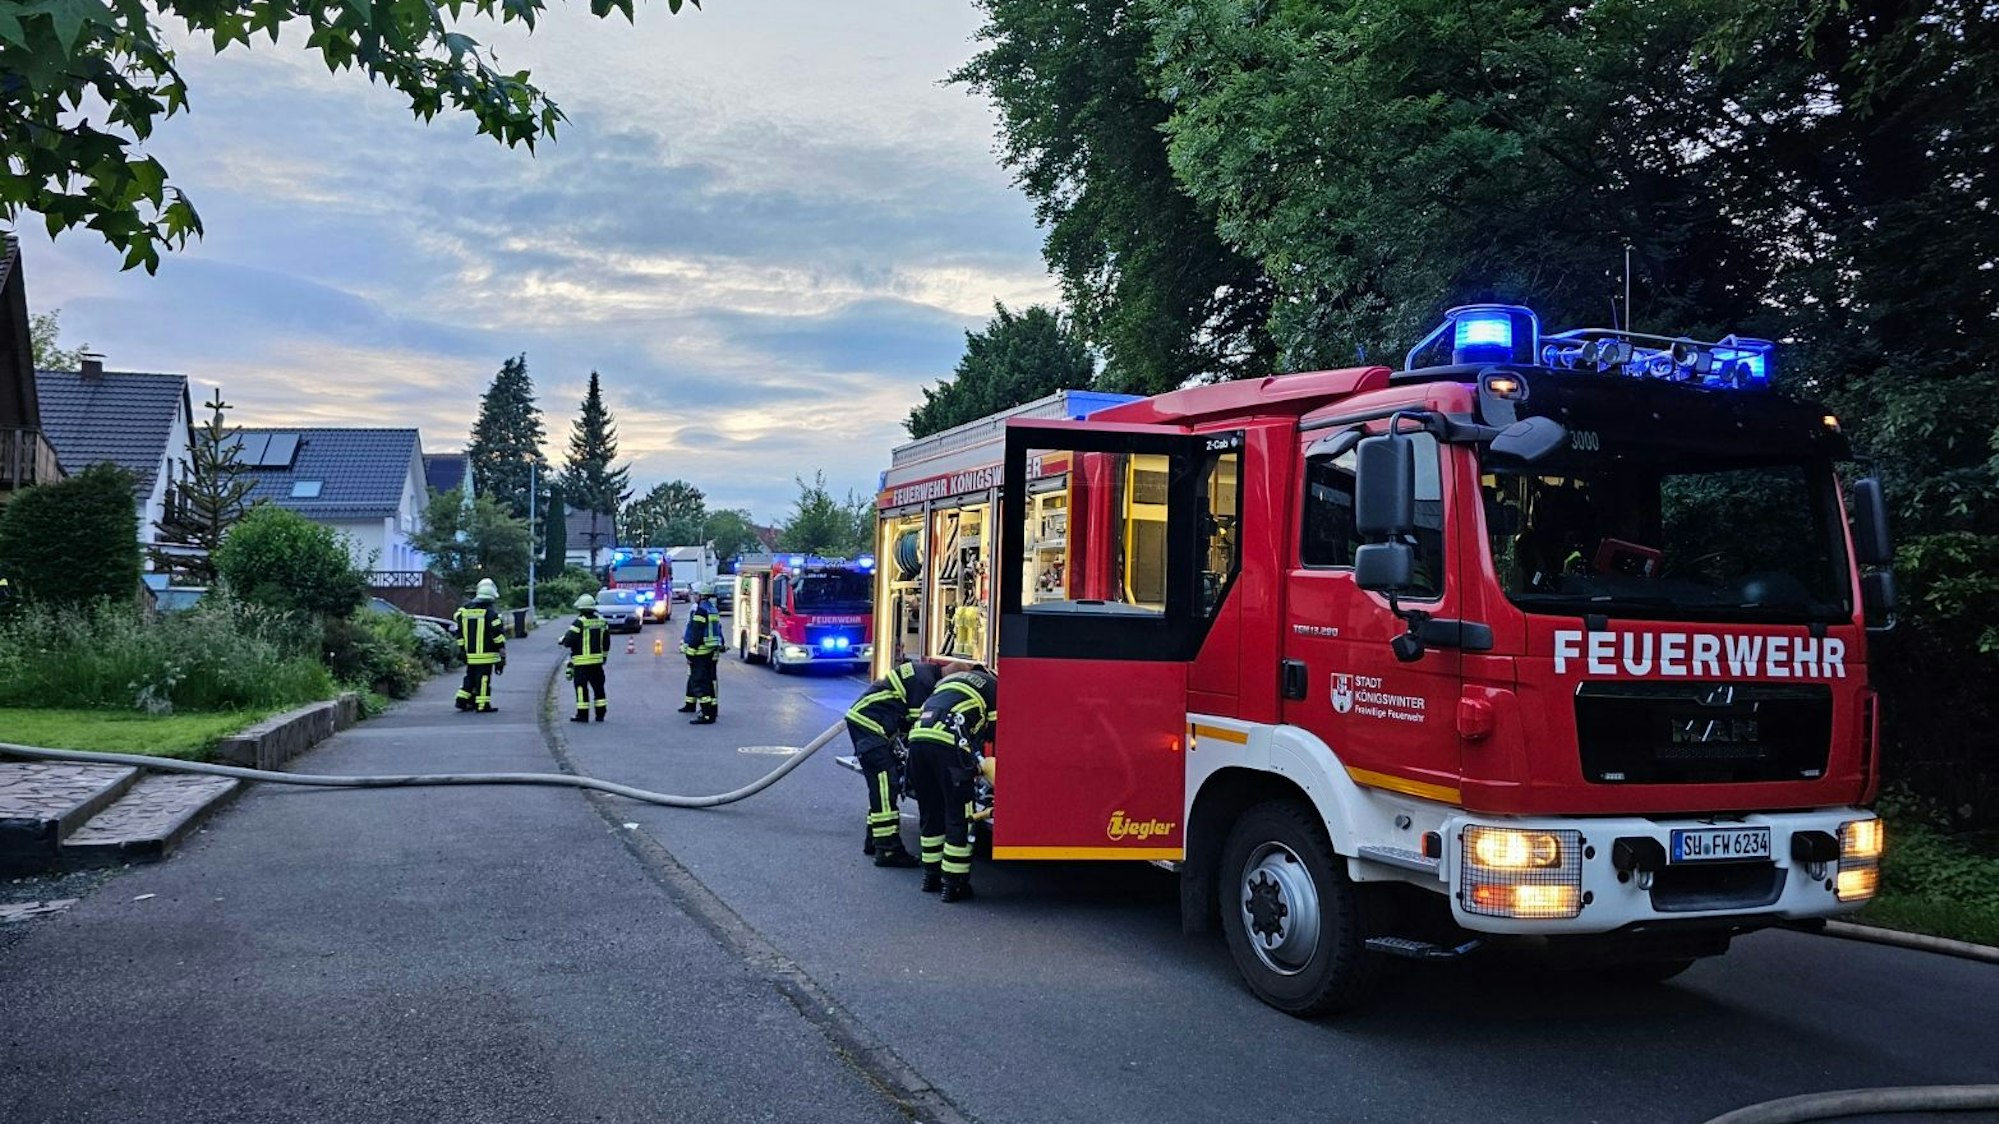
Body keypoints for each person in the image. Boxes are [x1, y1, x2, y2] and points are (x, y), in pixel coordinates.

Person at [844, 657, 950, 868]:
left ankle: (873, 840)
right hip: (871, 727)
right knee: (886, 784)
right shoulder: (925, 682)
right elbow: (918, 724)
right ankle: (888, 849)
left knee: (881, 787)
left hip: (869, 724)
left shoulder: (924, 672)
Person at [906, 664, 998, 902]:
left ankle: (931, 876)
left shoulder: (948, 683)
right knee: (960, 815)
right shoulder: (994, 687)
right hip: (949, 746)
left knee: (931, 812)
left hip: (917, 743)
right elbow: (996, 733)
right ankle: (954, 884)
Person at [453, 578, 507, 713]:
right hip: (486, 655)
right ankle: (482, 704)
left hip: (470, 654)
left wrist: (462, 649)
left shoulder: (465, 611)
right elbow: (498, 635)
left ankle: (462, 700)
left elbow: (458, 628)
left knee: (470, 676)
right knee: (483, 679)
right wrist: (501, 652)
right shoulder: (491, 614)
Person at [560, 593, 611, 723]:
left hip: (581, 664)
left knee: (581, 688)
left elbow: (568, 641)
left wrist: (563, 641)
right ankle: (600, 714)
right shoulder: (602, 621)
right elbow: (606, 642)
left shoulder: (579, 622)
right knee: (599, 688)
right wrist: (604, 657)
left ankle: (582, 715)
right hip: (597, 663)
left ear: (580, 608)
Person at [679, 588, 724, 724]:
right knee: (708, 682)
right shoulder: (711, 609)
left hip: (700, 652)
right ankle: (711, 712)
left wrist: (690, 653)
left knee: (700, 683)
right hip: (709, 651)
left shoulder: (701, 611)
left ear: (702, 595)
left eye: (696, 594)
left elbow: (696, 633)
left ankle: (706, 715)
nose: (694, 596)